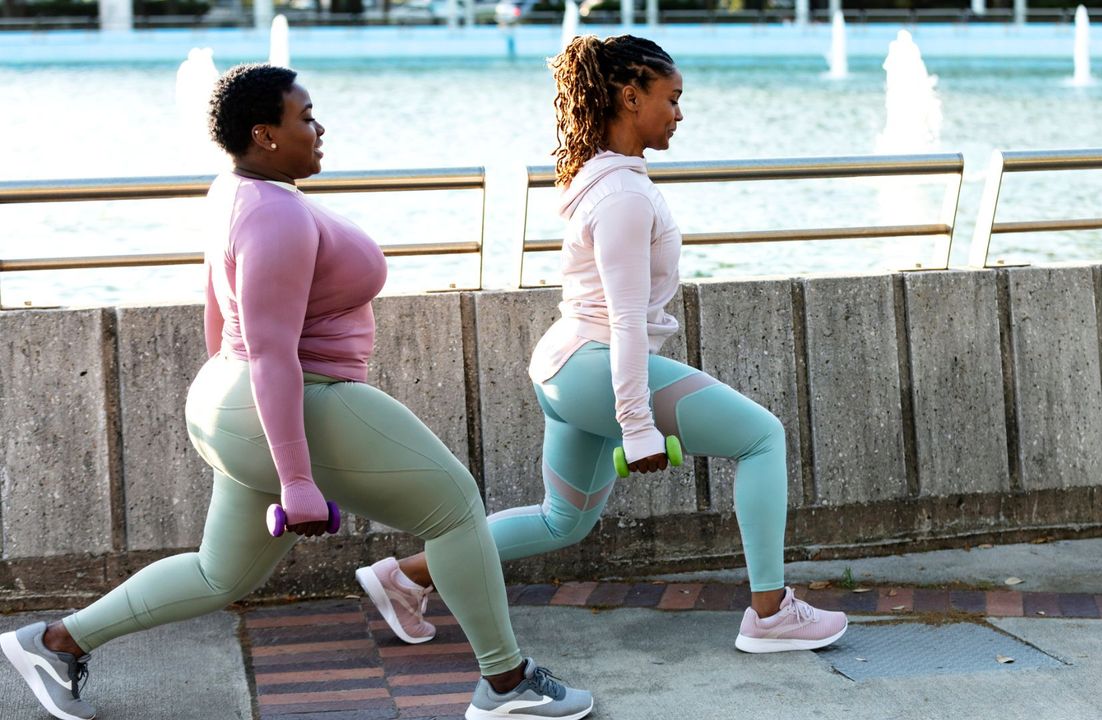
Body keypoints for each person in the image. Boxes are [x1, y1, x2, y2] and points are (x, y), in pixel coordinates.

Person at [0, 63, 593, 720]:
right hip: (287, 399)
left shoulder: (237, 191)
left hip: (236, 400)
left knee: (221, 574)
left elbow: (217, 313)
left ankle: (53, 643)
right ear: (266, 134)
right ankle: (508, 685)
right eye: (305, 116)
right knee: (455, 509)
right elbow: (273, 349)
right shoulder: (274, 215)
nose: (319, 127)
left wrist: (245, 421)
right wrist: (297, 479)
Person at [357, 34, 848, 656]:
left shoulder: (602, 178)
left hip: (566, 370)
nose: (679, 113)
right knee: (762, 437)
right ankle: (771, 613)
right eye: (670, 99)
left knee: (562, 520)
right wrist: (636, 423)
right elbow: (625, 320)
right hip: (593, 364)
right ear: (629, 95)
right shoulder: (621, 195)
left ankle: (403, 576)